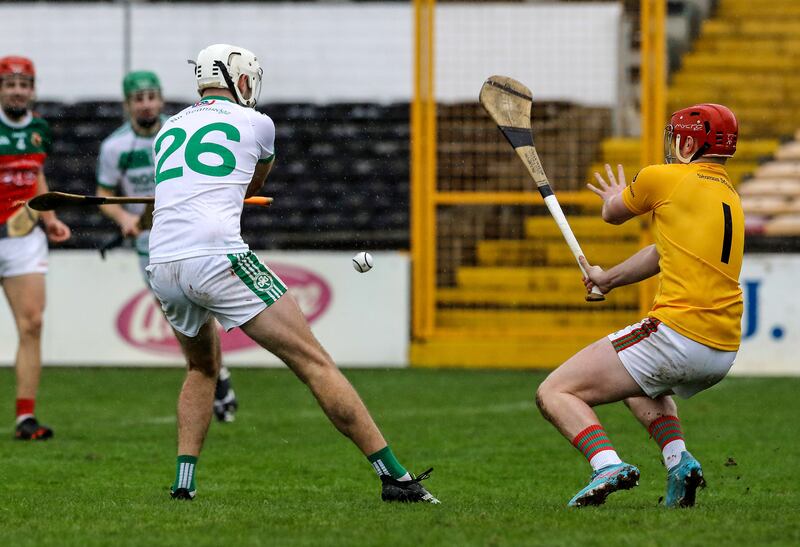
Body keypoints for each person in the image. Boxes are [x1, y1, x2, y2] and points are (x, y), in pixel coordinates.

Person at [146, 43, 438, 503]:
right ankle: (395, 477)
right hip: (217, 255)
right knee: (314, 362)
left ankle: (183, 483)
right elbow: (254, 182)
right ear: (236, 78)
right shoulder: (258, 123)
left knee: (201, 368)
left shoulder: (167, 128)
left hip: (162, 263)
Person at [535, 103, 743, 508]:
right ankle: (679, 461)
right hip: (722, 349)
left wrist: (614, 196)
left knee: (555, 391)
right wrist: (608, 278)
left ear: (688, 142)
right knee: (640, 385)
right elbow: (660, 251)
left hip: (678, 333)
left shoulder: (662, 178)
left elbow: (613, 215)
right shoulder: (728, 193)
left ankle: (606, 464)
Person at [96, 71, 239, 422]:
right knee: (182, 317)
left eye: (151, 96)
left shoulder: (178, 130)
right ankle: (214, 375)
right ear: (128, 104)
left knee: (205, 306)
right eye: (138, 98)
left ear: (160, 100)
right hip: (150, 245)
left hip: (188, 233)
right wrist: (124, 219)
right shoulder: (115, 147)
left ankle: (214, 375)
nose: (146, 104)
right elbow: (104, 194)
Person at [0, 56, 71, 439]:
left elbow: (35, 175)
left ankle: (25, 418)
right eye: (9, 84)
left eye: (24, 84)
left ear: (33, 89)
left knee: (32, 324)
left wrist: (49, 217)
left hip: (22, 238)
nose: (17, 91)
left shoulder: (40, 128)